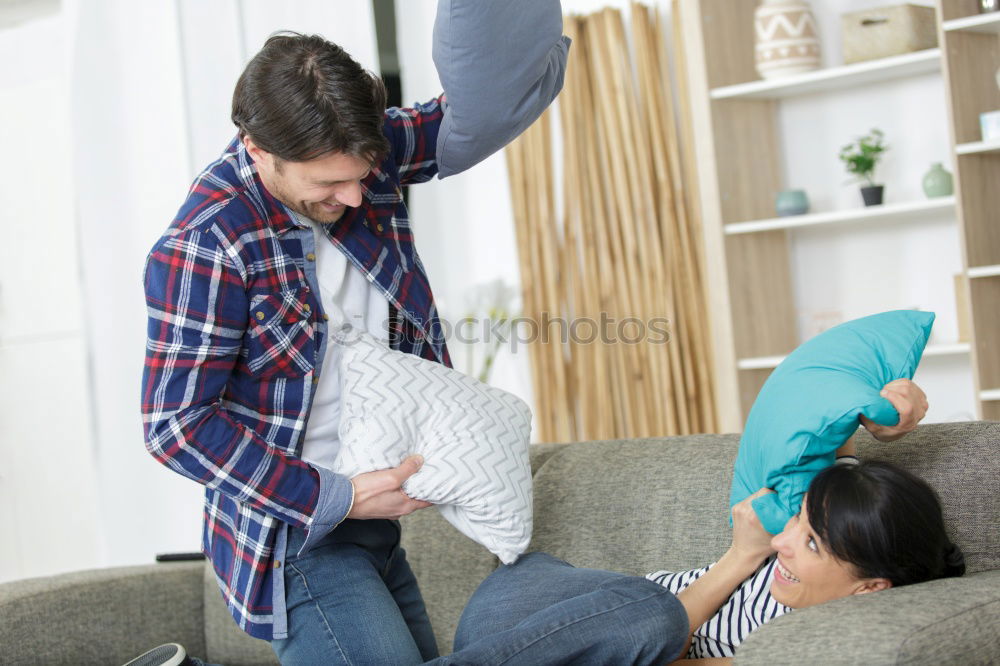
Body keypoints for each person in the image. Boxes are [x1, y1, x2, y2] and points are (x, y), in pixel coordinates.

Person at [140, 4, 569, 664]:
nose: (354, 197)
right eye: (329, 184)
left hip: (376, 528)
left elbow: (471, 112)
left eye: (362, 175)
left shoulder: (363, 154)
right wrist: (333, 495)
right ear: (258, 150)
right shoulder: (208, 244)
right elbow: (176, 425)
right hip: (295, 539)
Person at [422, 380, 963, 665]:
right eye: (797, 521)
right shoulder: (840, 520)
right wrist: (887, 408)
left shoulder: (796, 642)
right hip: (538, 596)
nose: (783, 540)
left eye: (812, 544)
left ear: (870, 588)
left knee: (658, 622)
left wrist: (743, 555)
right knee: (654, 614)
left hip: (535, 641)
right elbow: (827, 419)